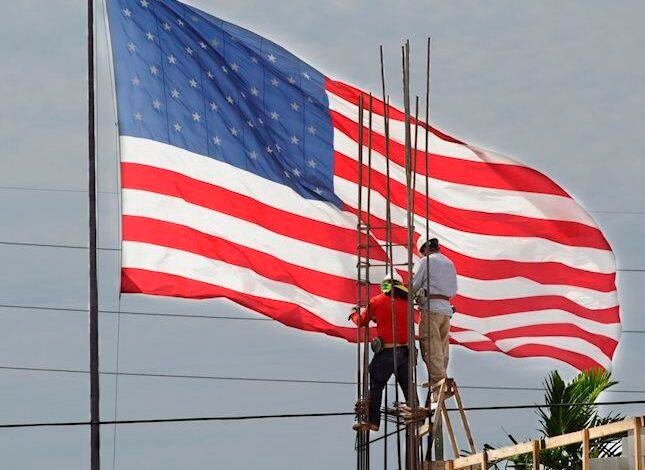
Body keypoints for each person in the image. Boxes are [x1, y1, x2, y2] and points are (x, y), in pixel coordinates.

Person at [349, 273, 414, 432]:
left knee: (376, 386)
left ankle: (373, 422)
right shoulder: (408, 303)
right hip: (405, 352)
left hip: (386, 352)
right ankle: (416, 418)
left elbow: (362, 321)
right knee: (408, 387)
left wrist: (354, 313)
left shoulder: (377, 301)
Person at [412, 237, 458, 389]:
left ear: (424, 249)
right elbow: (454, 289)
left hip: (431, 308)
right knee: (442, 348)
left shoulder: (426, 262)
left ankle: (439, 383)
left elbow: (415, 285)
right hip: (445, 310)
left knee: (431, 346)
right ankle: (441, 376)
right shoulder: (449, 263)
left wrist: (405, 295)